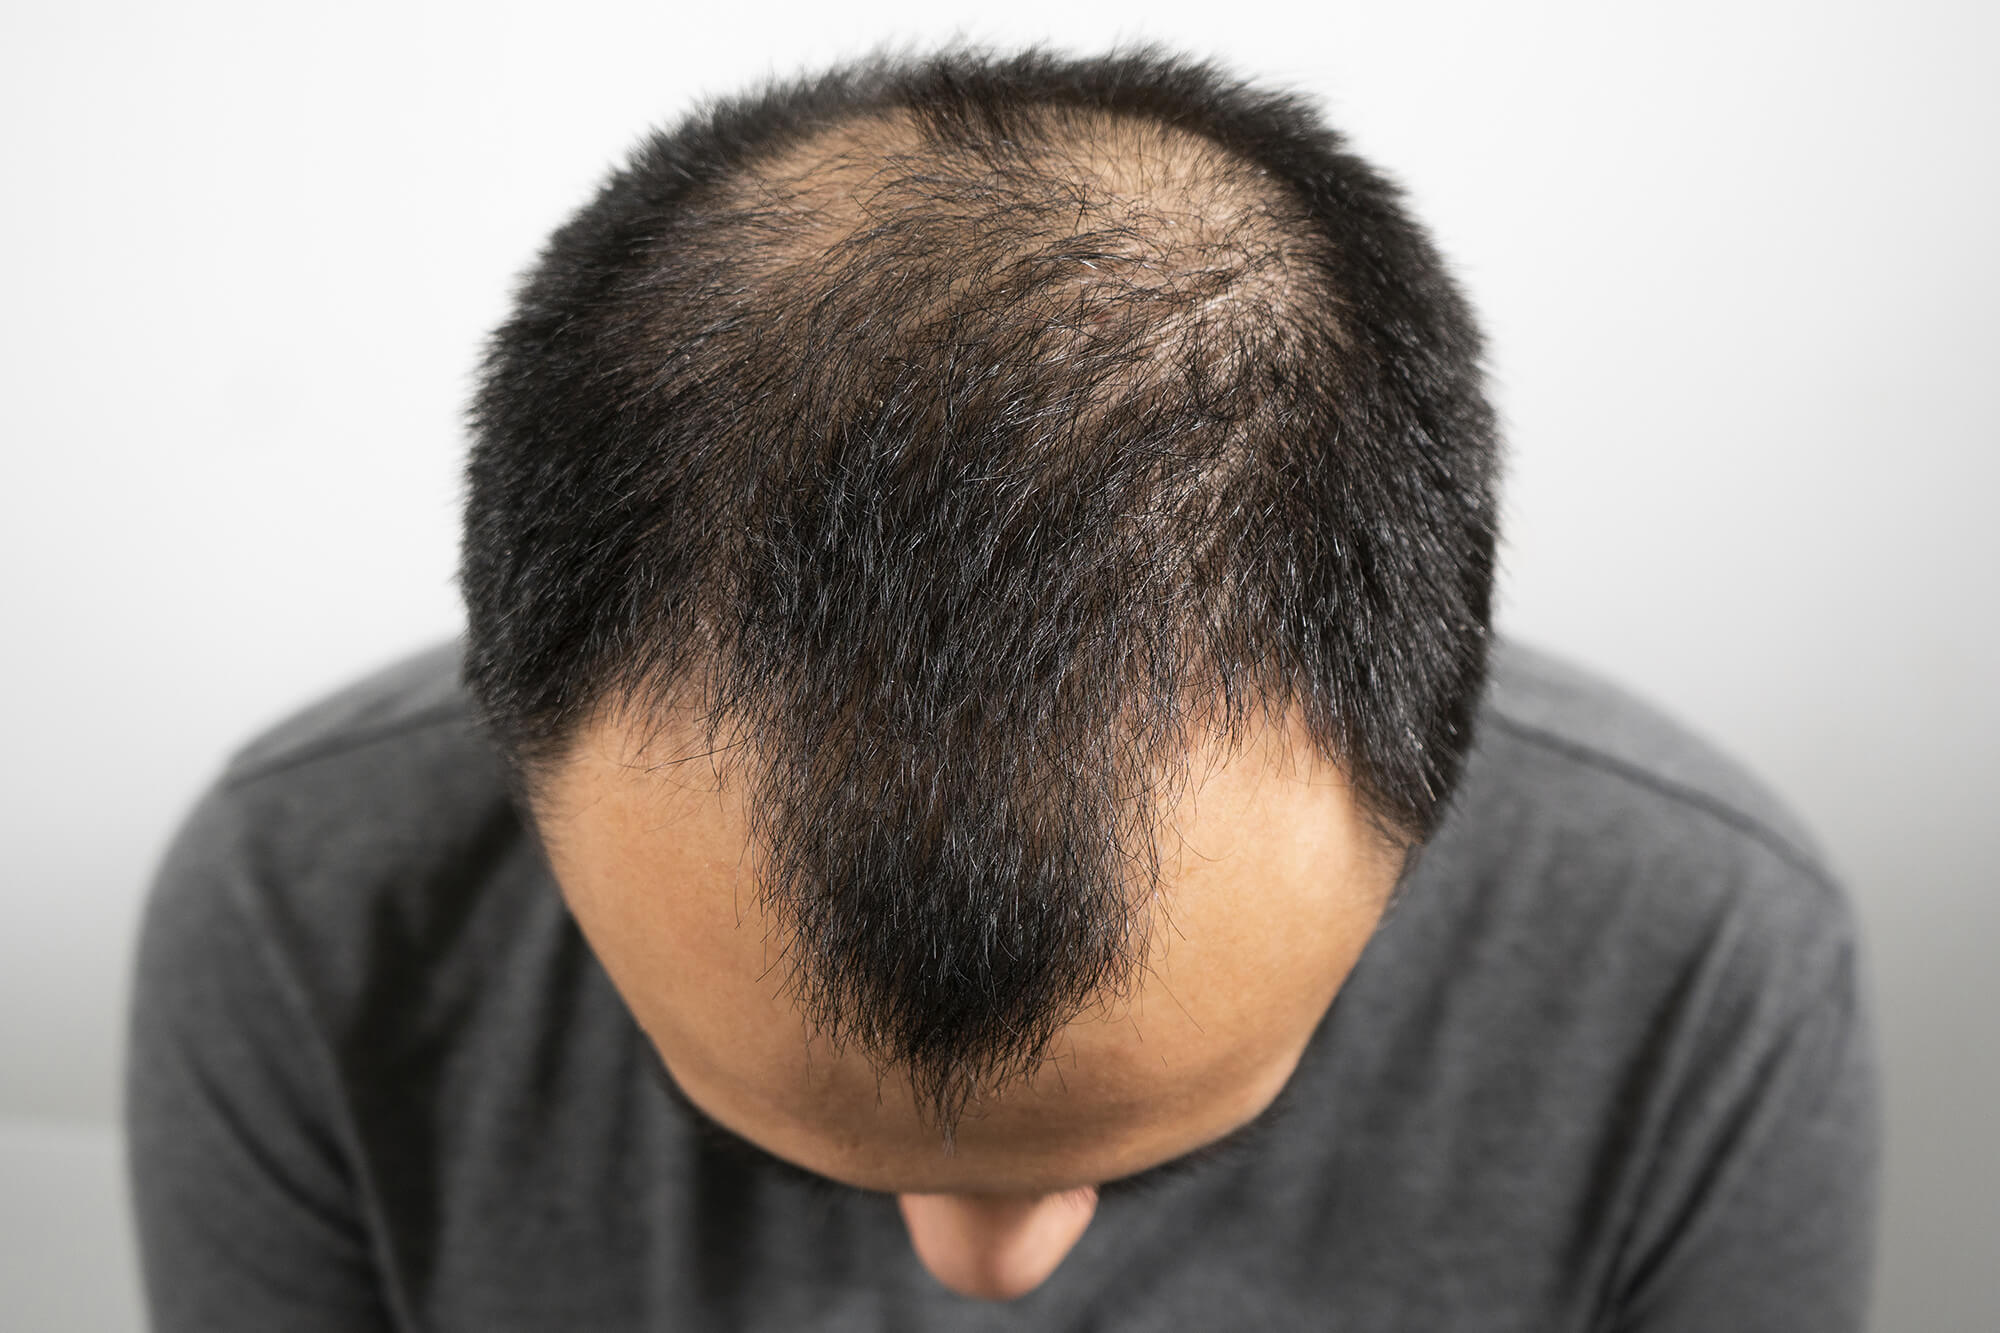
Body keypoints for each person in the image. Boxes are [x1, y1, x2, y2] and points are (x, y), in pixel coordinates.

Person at [126, 46, 1880, 1331]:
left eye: (1171, 1135)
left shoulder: (1703, 959)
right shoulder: (306, 917)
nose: (993, 1272)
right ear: (513, 726)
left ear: (1441, 740)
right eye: (781, 1131)